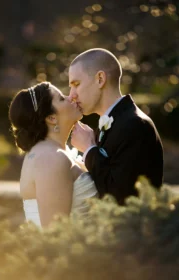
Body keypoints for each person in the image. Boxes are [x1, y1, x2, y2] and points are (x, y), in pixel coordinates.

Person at [69, 48, 163, 205]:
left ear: (100, 79)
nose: (72, 94)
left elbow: (121, 197)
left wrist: (89, 149)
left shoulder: (135, 125)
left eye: (76, 84)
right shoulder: (113, 123)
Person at [9, 82, 98, 227]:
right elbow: (54, 234)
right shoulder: (51, 158)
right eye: (62, 98)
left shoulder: (55, 152)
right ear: (51, 118)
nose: (71, 98)